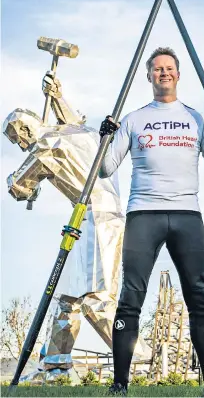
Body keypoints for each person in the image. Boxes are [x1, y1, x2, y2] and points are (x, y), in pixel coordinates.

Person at [99, 47, 204, 395]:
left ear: (178, 74)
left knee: (198, 296)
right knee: (131, 296)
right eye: (157, 69)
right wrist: (105, 138)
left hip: (187, 214)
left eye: (169, 68)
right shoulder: (133, 119)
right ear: (149, 76)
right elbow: (105, 168)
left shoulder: (196, 118)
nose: (163, 73)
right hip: (143, 213)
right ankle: (119, 384)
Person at [3, 72, 130, 381]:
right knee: (68, 300)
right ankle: (55, 365)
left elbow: (19, 186)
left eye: (16, 138)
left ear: (24, 128)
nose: (19, 145)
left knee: (96, 299)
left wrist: (17, 183)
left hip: (97, 216)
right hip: (93, 217)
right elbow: (70, 118)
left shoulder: (46, 146)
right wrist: (58, 96)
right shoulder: (78, 130)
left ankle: (138, 357)